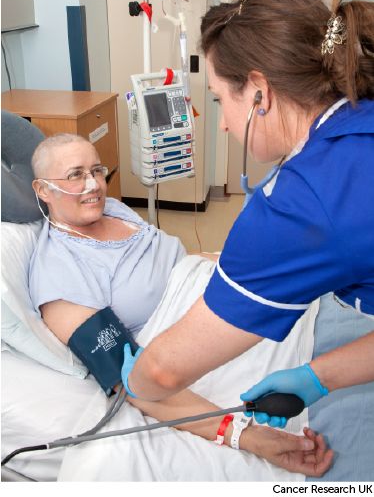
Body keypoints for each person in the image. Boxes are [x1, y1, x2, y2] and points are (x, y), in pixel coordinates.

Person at [122, 0, 374, 439]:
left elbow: (161, 374)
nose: (220, 122)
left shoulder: (302, 206)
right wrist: (321, 377)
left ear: (259, 91)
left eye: (220, 100)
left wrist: (132, 380)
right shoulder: (361, 116)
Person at [29, 132, 332, 477]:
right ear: (43, 190)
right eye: (75, 175)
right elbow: (128, 379)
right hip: (198, 335)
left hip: (223, 294)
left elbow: (175, 264)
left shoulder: (112, 209)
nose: (94, 184)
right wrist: (244, 435)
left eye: (97, 170)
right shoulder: (59, 274)